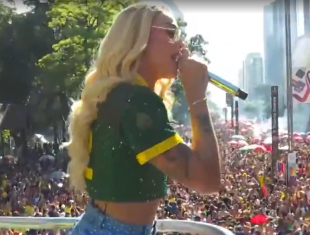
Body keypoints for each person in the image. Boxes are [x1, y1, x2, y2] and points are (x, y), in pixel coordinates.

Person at [65, 2, 221, 235]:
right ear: (138, 39)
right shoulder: (137, 100)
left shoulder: (118, 94)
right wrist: (196, 97)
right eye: (170, 33)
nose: (181, 45)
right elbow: (207, 180)